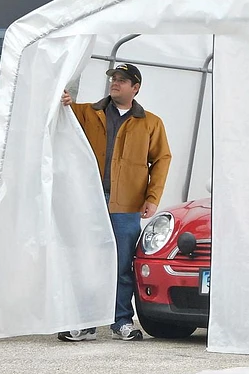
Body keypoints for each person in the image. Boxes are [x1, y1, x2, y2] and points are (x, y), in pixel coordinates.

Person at [57, 62, 172, 342]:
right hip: (90, 202)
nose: (115, 83)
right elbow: (62, 118)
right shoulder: (86, 112)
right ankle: (85, 323)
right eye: (113, 78)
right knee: (88, 262)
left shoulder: (150, 122)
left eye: (122, 80)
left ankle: (121, 322)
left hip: (126, 206)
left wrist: (152, 198)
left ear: (136, 88)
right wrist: (63, 102)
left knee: (122, 265)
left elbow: (161, 159)